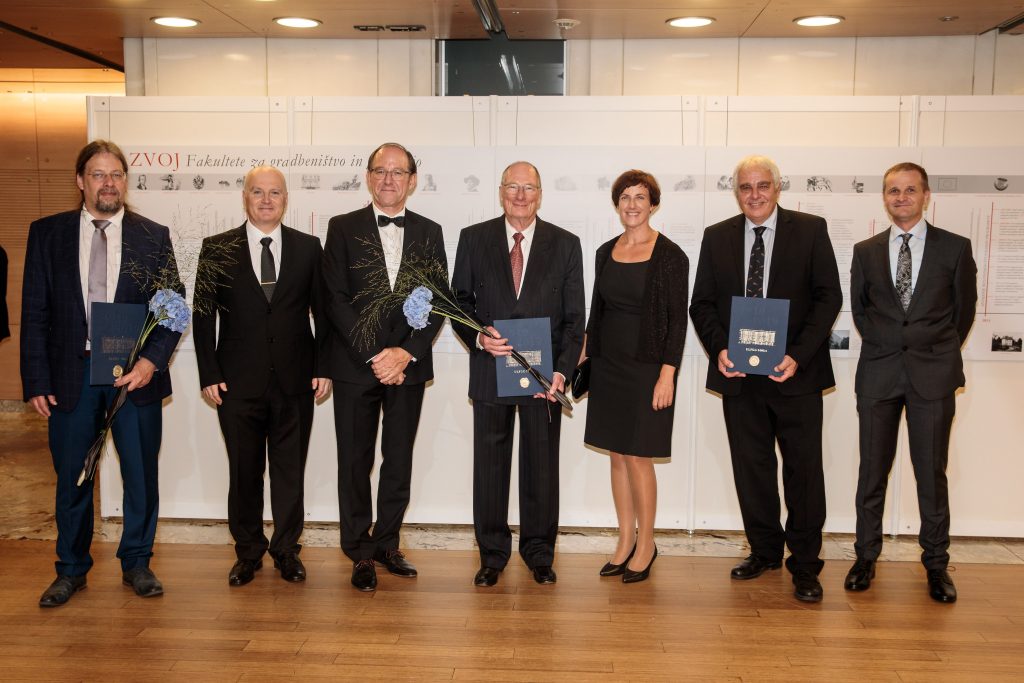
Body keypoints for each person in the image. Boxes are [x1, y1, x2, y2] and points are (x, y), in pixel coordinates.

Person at [21, 139, 183, 606]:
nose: (108, 183)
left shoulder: (152, 235)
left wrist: (151, 363)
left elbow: (171, 310)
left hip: (134, 380)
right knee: (73, 477)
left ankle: (137, 562)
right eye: (98, 174)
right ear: (80, 181)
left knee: (140, 475)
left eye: (115, 175)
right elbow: (35, 312)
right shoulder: (46, 234)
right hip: (70, 379)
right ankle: (71, 569)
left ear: (124, 182)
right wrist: (37, 380)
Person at [689, 155, 841, 602]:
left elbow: (828, 297)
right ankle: (765, 550)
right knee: (751, 470)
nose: (754, 194)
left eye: (762, 185)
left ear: (778, 188)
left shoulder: (811, 229)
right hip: (741, 379)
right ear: (735, 192)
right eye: (745, 187)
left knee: (803, 473)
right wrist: (720, 349)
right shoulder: (717, 237)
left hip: (795, 376)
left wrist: (797, 355)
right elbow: (703, 304)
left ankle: (806, 564)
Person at [193, 166, 331, 587]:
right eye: (258, 192)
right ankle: (248, 552)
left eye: (275, 193)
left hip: (295, 381)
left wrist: (323, 367)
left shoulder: (309, 248)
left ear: (286, 199)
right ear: (245, 197)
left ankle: (287, 550)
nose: (267, 200)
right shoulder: (215, 248)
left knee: (290, 472)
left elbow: (324, 315)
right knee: (244, 472)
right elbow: (202, 316)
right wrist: (208, 373)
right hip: (235, 384)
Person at [845, 162, 977, 603]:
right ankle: (865, 558)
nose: (900, 197)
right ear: (884, 197)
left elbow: (963, 313)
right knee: (871, 472)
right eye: (892, 191)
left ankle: (936, 565)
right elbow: (862, 313)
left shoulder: (955, 249)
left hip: (933, 376)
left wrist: (933, 349)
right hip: (879, 374)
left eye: (909, 190)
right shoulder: (865, 251)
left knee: (930, 475)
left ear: (926, 195)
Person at [451, 161, 585, 587]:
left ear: (540, 194)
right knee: (489, 469)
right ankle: (492, 555)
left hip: (544, 379)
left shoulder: (566, 244)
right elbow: (459, 303)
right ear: (501, 191)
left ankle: (539, 554)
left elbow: (574, 318)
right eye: (513, 187)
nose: (521, 195)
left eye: (529, 188)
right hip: (491, 371)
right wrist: (478, 337)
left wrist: (563, 372)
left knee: (541, 468)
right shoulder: (473, 239)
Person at [323, 143, 446, 592]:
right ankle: (359, 551)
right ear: (368, 177)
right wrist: (379, 354)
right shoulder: (341, 228)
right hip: (358, 366)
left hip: (407, 368)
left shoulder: (431, 232)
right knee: (354, 462)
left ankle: (388, 543)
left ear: (413, 180)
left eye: (398, 172)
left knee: (398, 459)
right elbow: (334, 299)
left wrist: (405, 353)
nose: (389, 179)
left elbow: (438, 300)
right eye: (380, 170)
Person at [580, 170, 688, 584]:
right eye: (625, 197)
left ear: (653, 203)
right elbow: (598, 310)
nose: (632, 204)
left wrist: (667, 374)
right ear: (617, 203)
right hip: (609, 366)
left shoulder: (670, 255)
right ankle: (625, 541)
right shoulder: (606, 251)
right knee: (618, 455)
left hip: (647, 368)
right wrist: (582, 358)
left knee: (640, 457)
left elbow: (677, 321)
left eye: (640, 197)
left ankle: (648, 545)